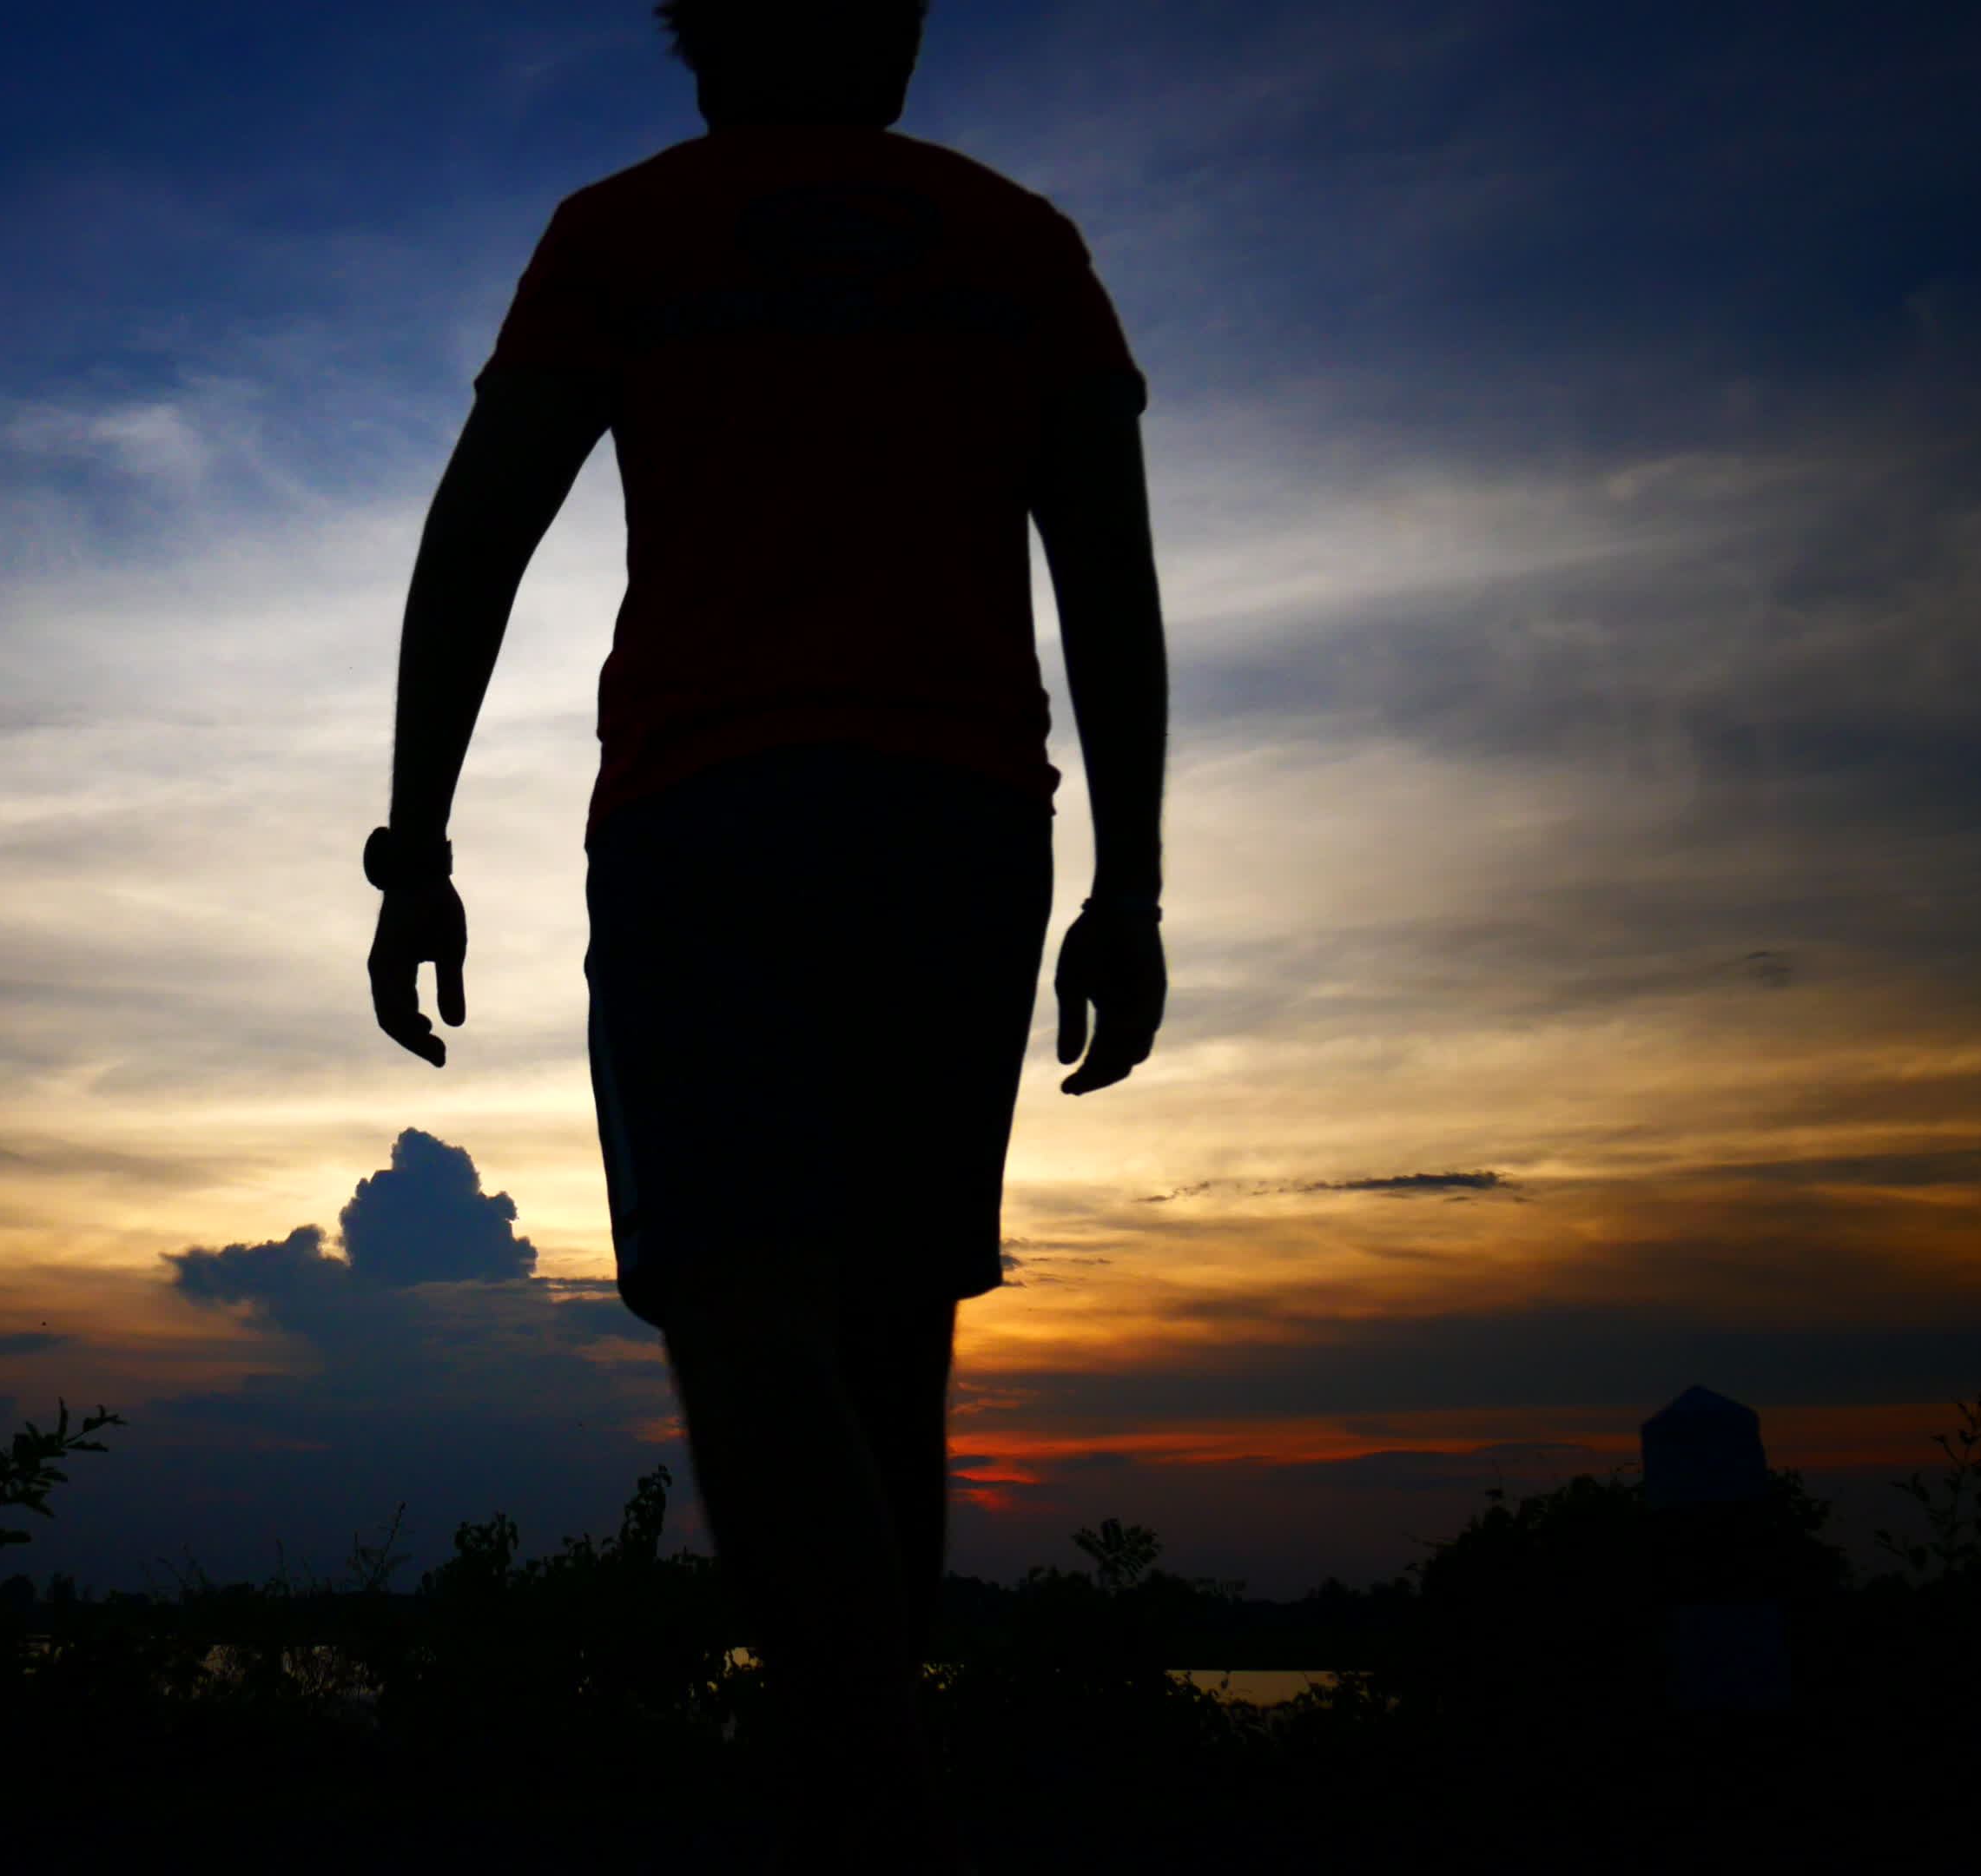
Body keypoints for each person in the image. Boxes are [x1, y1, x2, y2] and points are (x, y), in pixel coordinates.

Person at [363, 1, 1166, 1866]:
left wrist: (415, 840)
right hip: (960, 825)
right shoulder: (1017, 246)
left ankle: (872, 1788)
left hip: (710, 817)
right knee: (886, 1341)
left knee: (747, 1307)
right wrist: (1127, 884)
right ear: (892, 40)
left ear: (703, 42)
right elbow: (1110, 588)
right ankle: (869, 1772)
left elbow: (474, 536)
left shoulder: (625, 232)